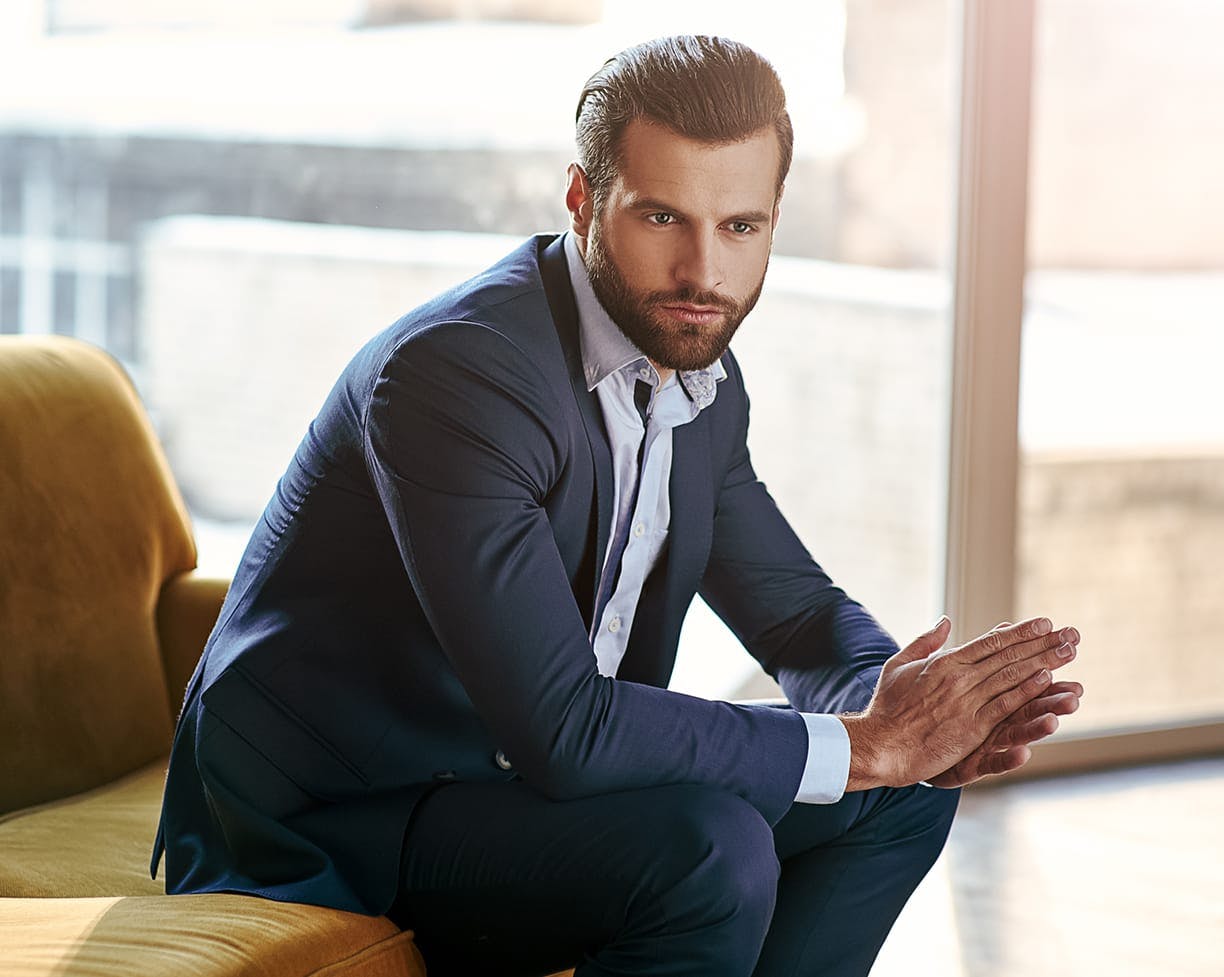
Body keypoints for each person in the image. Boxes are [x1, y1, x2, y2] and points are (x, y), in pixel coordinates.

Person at [153, 34, 1083, 977]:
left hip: (516, 782)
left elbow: (800, 620)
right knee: (709, 849)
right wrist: (866, 743)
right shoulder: (457, 377)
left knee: (905, 793)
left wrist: (917, 727)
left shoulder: (695, 374)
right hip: (351, 807)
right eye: (661, 217)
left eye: (740, 227)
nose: (702, 274)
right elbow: (564, 729)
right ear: (582, 199)